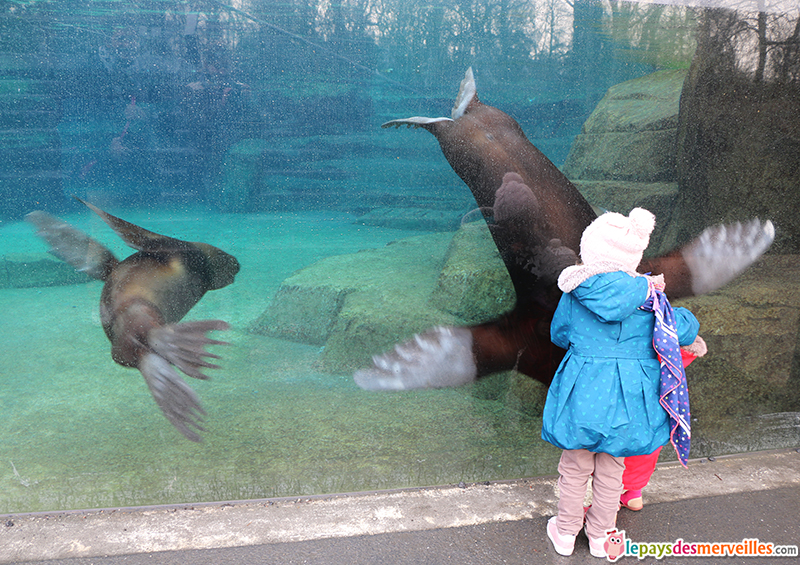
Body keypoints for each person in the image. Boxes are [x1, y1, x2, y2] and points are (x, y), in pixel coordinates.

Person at [541, 207, 702, 558]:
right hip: (631, 396)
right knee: (613, 464)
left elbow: (559, 334)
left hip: (583, 389)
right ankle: (600, 536)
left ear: (590, 251)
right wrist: (674, 309)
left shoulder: (575, 291)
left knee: (575, 465)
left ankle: (566, 532)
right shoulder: (652, 297)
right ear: (633, 256)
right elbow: (683, 329)